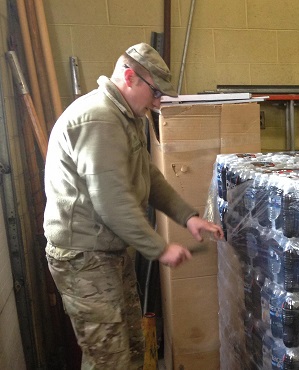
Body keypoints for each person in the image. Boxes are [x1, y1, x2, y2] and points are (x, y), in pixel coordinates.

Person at [43, 43, 224, 369]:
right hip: (84, 260)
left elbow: (148, 177)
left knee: (132, 344)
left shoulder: (124, 117)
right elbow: (112, 201)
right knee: (109, 358)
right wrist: (160, 248)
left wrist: (189, 218)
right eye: (155, 93)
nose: (157, 103)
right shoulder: (99, 121)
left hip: (108, 253)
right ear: (130, 77)